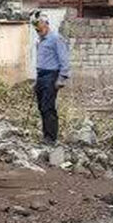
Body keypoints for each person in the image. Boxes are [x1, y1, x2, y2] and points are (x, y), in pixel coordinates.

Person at [31, 12, 71, 145]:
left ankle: (51, 138)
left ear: (46, 25)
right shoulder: (40, 41)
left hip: (51, 76)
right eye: (36, 30)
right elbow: (41, 62)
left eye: (40, 29)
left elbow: (64, 60)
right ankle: (45, 135)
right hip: (41, 76)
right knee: (41, 107)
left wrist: (61, 78)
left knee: (49, 107)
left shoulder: (56, 39)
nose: (38, 32)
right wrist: (37, 80)